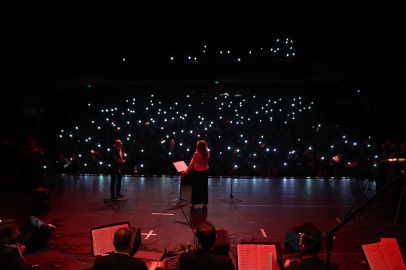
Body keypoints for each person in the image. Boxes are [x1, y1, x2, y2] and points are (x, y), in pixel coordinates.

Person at [181, 140, 209, 209]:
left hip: (198, 172)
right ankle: (205, 204)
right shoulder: (207, 152)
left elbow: (192, 164)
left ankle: (193, 204)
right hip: (205, 171)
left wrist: (185, 172)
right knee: (204, 188)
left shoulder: (197, 153)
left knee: (195, 188)